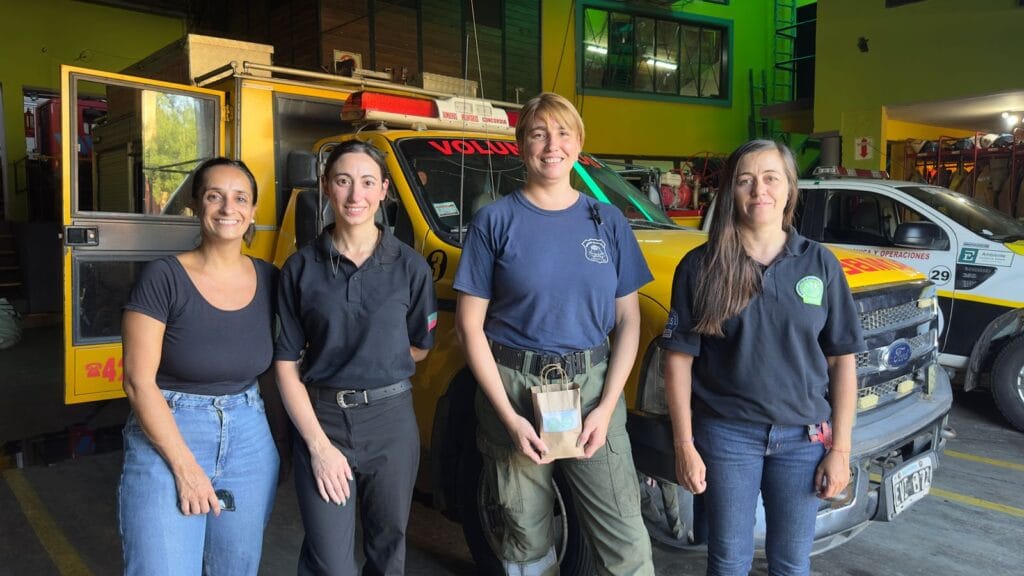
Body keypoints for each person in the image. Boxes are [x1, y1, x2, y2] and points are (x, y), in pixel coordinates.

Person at [454, 92, 656, 576]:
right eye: (539, 134)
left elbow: (628, 320)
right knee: (526, 538)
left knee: (626, 541)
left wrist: (606, 407)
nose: (552, 145)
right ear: (521, 144)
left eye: (563, 133)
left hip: (592, 389)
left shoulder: (608, 221)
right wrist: (509, 417)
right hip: (514, 387)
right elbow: (469, 326)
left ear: (579, 143)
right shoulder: (495, 222)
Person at [660, 139, 866, 576]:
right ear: (730, 191)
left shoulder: (820, 264)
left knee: (791, 564)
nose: (760, 191)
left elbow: (842, 361)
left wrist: (841, 450)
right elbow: (678, 361)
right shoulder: (701, 266)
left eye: (771, 178)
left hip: (804, 440)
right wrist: (685, 445)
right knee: (728, 563)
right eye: (746, 180)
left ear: (790, 188)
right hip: (726, 437)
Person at [274, 140, 437, 575]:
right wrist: (318, 446)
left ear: (383, 190)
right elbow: (286, 364)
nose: (354, 195)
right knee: (330, 563)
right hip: (323, 420)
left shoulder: (411, 268)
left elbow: (420, 346)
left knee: (388, 551)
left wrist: (376, 359)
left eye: (367, 182)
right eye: (343, 181)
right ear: (326, 186)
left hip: (391, 422)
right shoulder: (300, 269)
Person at [119, 157, 279, 576]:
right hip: (170, 430)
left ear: (253, 212)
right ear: (195, 205)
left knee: (235, 568)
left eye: (240, 198)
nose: (228, 208)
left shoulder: (272, 279)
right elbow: (137, 382)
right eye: (214, 196)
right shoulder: (163, 277)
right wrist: (185, 467)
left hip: (249, 437)